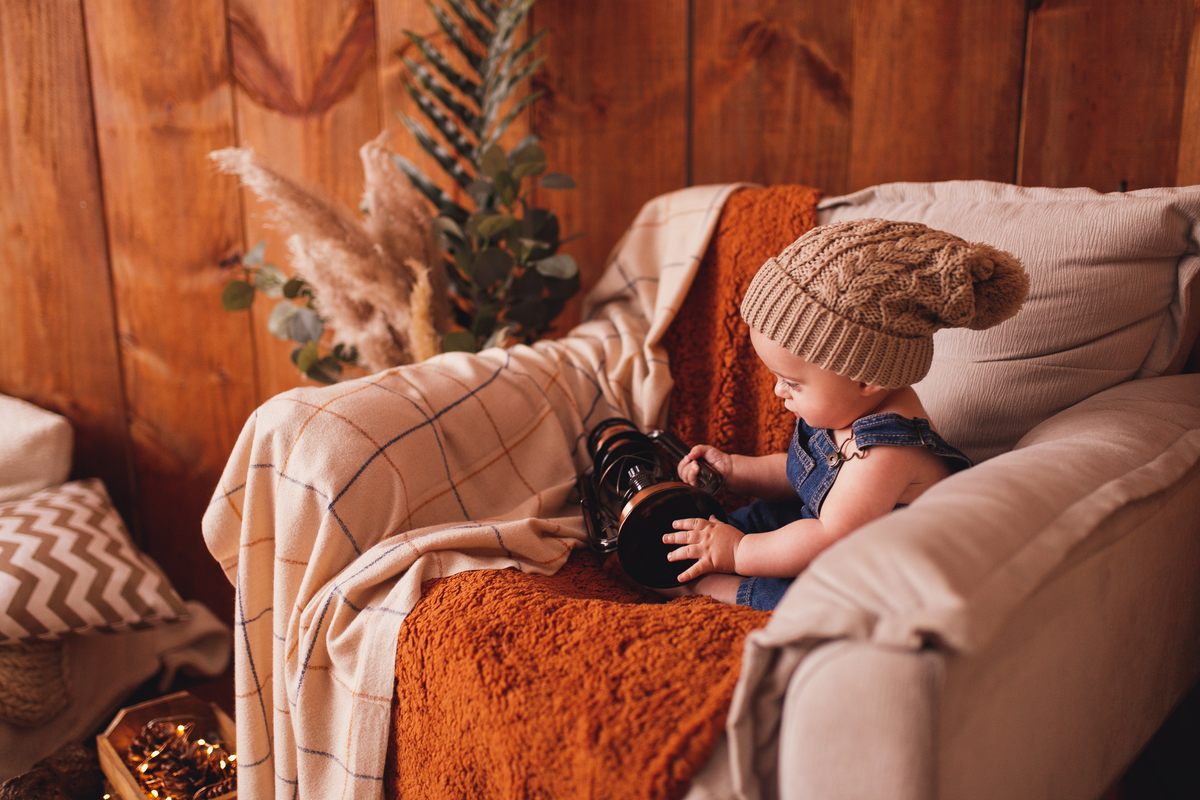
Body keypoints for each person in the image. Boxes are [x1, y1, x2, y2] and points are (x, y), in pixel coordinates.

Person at [663, 218, 1030, 610]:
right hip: (814, 529)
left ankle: (709, 589)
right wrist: (736, 469)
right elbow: (804, 478)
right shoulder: (845, 406)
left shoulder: (887, 453)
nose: (777, 391)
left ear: (865, 378)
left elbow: (829, 537)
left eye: (792, 382)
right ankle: (687, 553)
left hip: (872, 568)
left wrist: (737, 553)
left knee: (807, 595)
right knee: (761, 518)